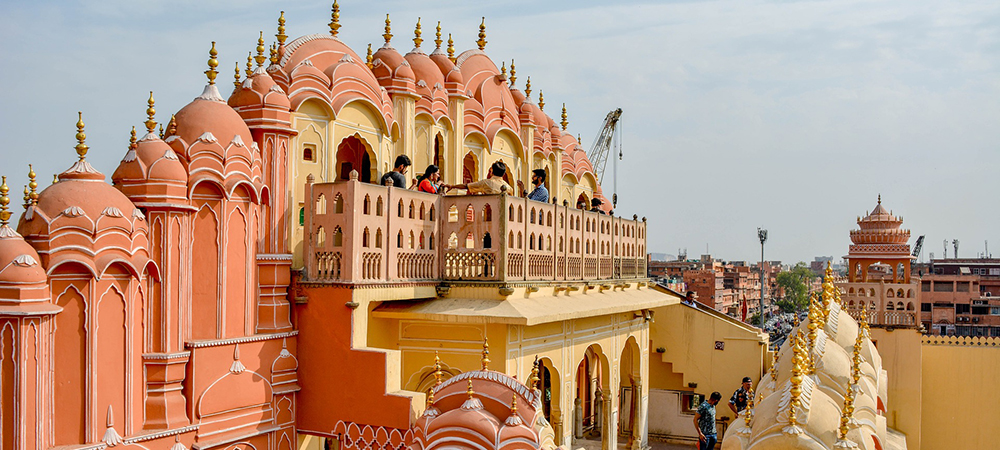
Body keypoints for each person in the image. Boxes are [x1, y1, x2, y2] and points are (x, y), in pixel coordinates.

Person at [444, 161, 512, 195]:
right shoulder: (509, 188)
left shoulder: (486, 183)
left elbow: (467, 186)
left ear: (492, 172)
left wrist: (452, 186)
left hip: (490, 216)